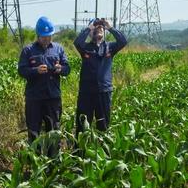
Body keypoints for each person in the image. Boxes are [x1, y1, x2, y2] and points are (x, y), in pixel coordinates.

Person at [18, 16, 70, 157]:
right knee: (34, 131)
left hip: (53, 97)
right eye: (43, 36)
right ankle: (35, 162)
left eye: (49, 36)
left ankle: (53, 162)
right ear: (38, 35)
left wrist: (61, 69)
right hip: (34, 98)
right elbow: (21, 70)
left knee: (53, 131)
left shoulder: (58, 49)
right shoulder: (28, 50)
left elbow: (67, 68)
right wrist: (35, 71)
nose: (47, 39)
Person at [74, 18, 127, 135]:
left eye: (101, 28)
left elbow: (123, 41)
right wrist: (89, 27)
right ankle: (80, 152)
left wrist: (110, 27)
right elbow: (77, 42)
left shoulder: (110, 47)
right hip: (86, 92)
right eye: (96, 29)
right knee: (82, 125)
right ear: (91, 32)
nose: (99, 30)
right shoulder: (85, 48)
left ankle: (103, 150)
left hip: (104, 91)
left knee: (103, 125)